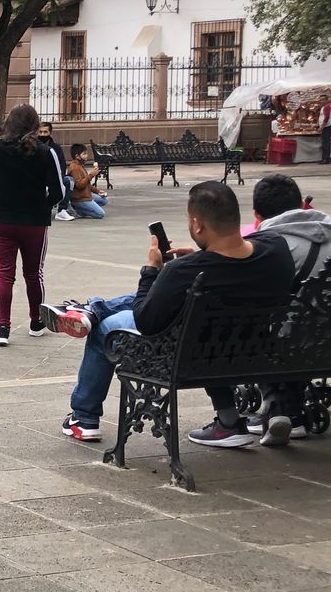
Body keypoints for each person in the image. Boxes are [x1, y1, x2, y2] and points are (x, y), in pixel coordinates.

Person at [43, 181, 295, 446]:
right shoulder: (275, 249)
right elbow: (231, 264)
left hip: (187, 355)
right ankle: (228, 422)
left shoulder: (183, 272)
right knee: (179, 307)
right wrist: (199, 255)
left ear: (197, 224)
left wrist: (152, 270)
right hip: (251, 350)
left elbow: (145, 320)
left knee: (105, 329)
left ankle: (84, 418)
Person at [244, 173, 331, 446]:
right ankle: (292, 411)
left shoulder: (268, 243)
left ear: (257, 213)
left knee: (258, 323)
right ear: (302, 204)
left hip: (295, 341)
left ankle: (281, 407)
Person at [0, 105, 62, 345]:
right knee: (34, 274)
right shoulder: (45, 152)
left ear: (8, 123)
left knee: (4, 274)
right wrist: (44, 205)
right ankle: (36, 321)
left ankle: (2, 327)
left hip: (1, 218)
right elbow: (58, 191)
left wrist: (0, 183)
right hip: (33, 221)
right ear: (35, 125)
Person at [38, 120, 73, 222]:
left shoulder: (56, 148)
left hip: (53, 178)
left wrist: (59, 179)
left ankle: (62, 210)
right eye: (40, 132)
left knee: (69, 180)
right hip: (37, 178)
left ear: (50, 133)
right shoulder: (33, 146)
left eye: (45, 132)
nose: (42, 134)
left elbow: (62, 165)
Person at [66, 144, 108, 218]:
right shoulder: (75, 168)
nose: (87, 156)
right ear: (77, 156)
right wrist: (91, 175)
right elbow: (79, 185)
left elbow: (87, 184)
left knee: (104, 200)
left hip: (86, 194)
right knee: (100, 214)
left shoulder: (80, 165)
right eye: (84, 154)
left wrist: (97, 191)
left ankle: (86, 206)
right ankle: (79, 210)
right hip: (79, 198)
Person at [317, 97, 331, 165]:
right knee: (326, 143)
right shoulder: (326, 107)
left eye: (323, 99)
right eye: (320, 100)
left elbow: (326, 117)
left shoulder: (327, 107)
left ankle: (325, 158)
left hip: (326, 127)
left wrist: (322, 127)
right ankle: (326, 158)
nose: (321, 101)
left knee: (325, 143)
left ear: (326, 100)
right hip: (326, 126)